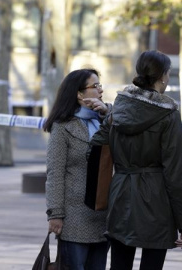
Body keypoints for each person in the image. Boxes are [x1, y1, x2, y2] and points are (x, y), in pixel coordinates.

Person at [90, 50, 182, 270]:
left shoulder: (120, 107)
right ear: (163, 76)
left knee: (119, 263)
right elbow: (175, 174)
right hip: (156, 199)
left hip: (120, 192)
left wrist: (108, 115)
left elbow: (97, 144)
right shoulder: (169, 114)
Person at [44, 68, 111, 269]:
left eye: (100, 85)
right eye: (95, 86)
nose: (101, 90)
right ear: (79, 94)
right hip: (75, 215)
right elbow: (55, 172)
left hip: (104, 214)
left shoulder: (107, 120)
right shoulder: (63, 126)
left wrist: (108, 113)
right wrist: (55, 213)